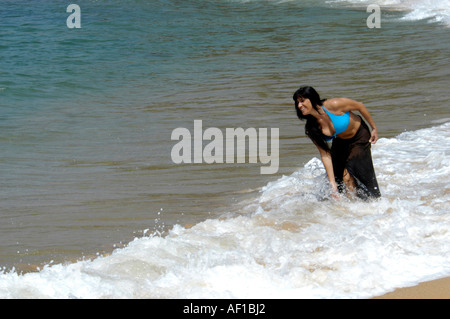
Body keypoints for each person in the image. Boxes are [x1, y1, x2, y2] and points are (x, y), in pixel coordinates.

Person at [293, 86, 381, 200]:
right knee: (337, 178)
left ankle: (363, 204)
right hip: (341, 141)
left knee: (354, 175)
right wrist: (332, 183)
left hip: (359, 136)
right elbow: (325, 154)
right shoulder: (312, 127)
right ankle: (347, 205)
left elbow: (360, 105)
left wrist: (374, 128)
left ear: (312, 98)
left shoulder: (333, 105)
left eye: (302, 101)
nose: (299, 105)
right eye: (297, 102)